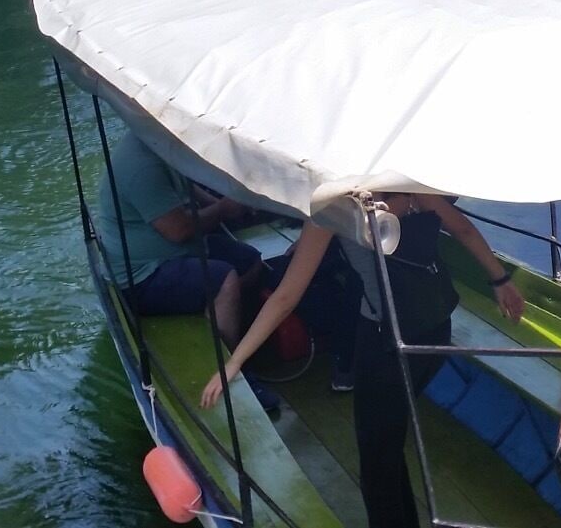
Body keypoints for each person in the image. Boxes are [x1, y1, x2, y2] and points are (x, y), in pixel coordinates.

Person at [200, 192, 526, 528]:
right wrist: (500, 280)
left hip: (386, 344)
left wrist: (234, 360)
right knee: (388, 439)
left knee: (375, 463)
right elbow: (464, 230)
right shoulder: (412, 190)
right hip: (434, 332)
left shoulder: (332, 209)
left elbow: (285, 297)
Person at [98, 131, 266, 342]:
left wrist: (216, 204)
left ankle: (234, 324)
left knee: (250, 261)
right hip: (142, 276)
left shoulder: (159, 144)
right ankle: (226, 361)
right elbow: (178, 230)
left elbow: (185, 183)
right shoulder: (141, 166)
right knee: (225, 280)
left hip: (179, 251)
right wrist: (223, 209)